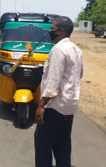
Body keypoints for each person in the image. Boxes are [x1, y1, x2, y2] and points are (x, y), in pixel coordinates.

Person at [34, 16, 83, 167]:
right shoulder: (77, 50)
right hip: (69, 107)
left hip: (55, 107)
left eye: (52, 29)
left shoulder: (58, 49)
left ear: (61, 31)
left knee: (43, 144)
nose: (50, 32)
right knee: (63, 144)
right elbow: (79, 75)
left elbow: (53, 82)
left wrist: (41, 106)